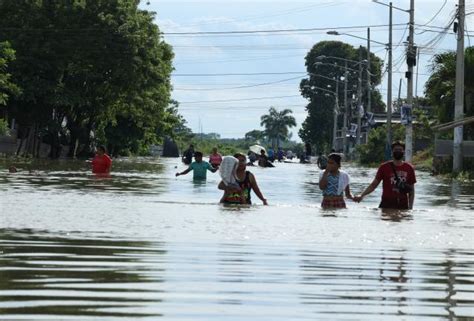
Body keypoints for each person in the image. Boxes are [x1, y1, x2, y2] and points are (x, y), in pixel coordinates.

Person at [354, 141, 416, 210]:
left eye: (400, 150)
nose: (398, 152)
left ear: (403, 152)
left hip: (402, 204)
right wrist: (362, 195)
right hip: (386, 203)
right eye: (396, 150)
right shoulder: (384, 167)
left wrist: (410, 208)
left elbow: (411, 191)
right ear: (392, 152)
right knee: (385, 220)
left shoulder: (409, 168)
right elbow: (374, 185)